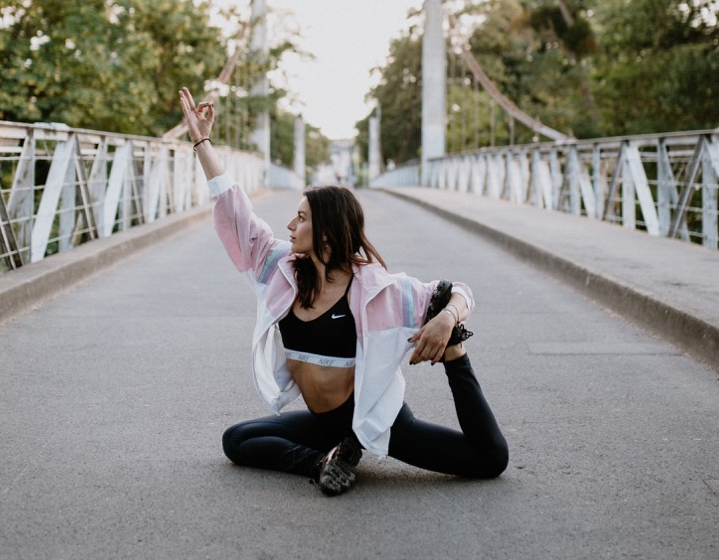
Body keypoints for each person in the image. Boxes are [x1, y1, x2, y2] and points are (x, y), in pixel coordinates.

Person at [180, 88, 509, 497]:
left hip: (377, 420)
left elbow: (457, 291)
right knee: (237, 440)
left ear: (327, 233)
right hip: (324, 424)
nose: (290, 225)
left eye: (301, 218)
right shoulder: (280, 269)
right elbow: (235, 209)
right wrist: (202, 141)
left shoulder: (377, 291)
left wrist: (446, 320)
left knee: (488, 459)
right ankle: (324, 462)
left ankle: (454, 358)